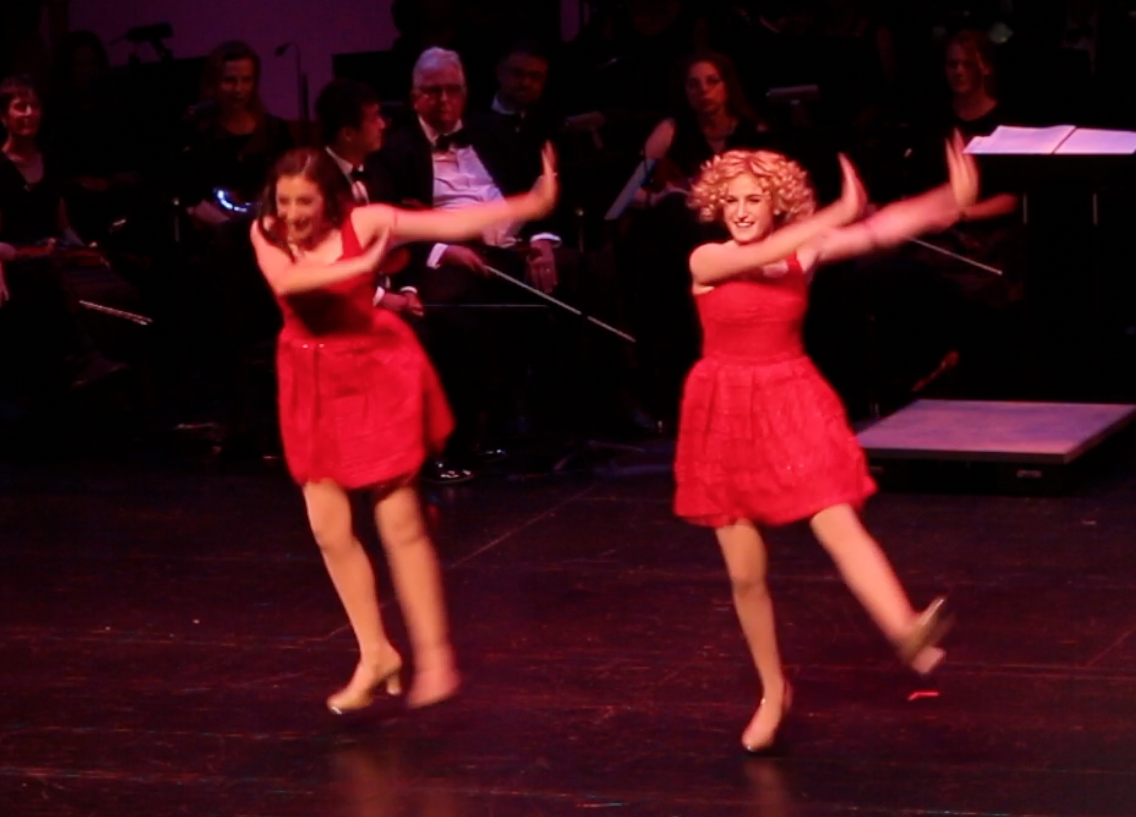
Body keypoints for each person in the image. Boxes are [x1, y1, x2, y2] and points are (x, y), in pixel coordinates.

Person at [674, 134, 977, 752]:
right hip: (726, 412)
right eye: (732, 200)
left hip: (791, 400)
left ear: (775, 203)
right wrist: (834, 213)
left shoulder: (800, 251)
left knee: (837, 519)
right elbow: (783, 245)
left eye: (754, 199)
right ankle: (773, 691)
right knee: (746, 575)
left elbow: (880, 230)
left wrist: (951, 198)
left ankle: (906, 630)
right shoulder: (706, 258)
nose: (741, 211)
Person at [249, 145, 557, 712]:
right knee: (328, 529)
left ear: (330, 202)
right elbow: (291, 283)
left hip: (371, 371)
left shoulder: (365, 222)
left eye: (304, 203)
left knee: (400, 523)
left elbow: (448, 223)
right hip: (311, 378)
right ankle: (376, 654)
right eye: (284, 201)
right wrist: (360, 268)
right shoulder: (266, 232)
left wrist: (530, 204)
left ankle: (435, 659)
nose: (291, 214)